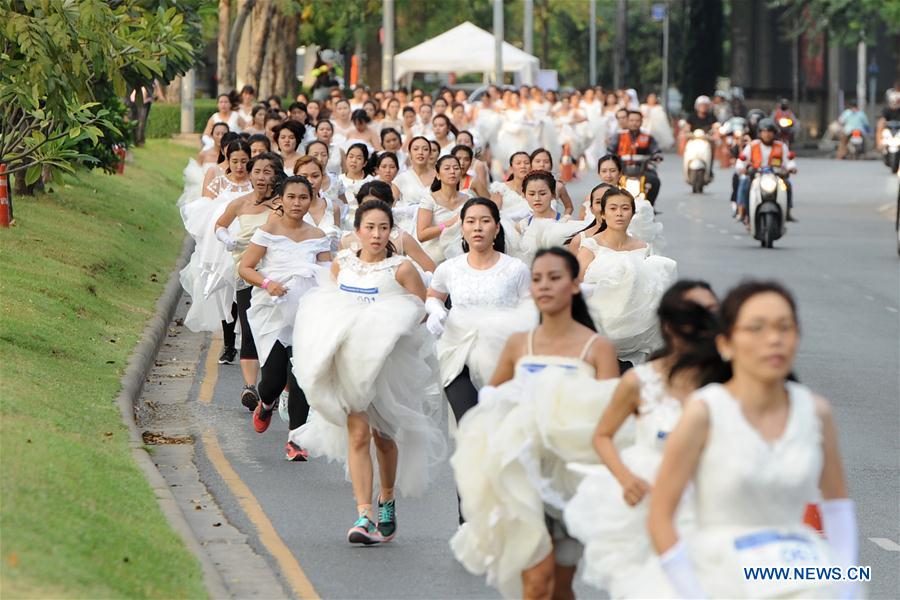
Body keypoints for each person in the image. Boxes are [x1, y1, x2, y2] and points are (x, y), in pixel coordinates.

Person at [642, 281, 858, 599]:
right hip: (720, 577)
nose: (774, 339)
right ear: (726, 343)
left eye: (785, 327)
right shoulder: (704, 413)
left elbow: (837, 506)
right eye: (756, 328)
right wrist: (691, 591)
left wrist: (845, 587)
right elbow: (661, 515)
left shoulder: (815, 412)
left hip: (799, 577)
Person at [451, 247, 620, 600]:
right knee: (536, 578)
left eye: (555, 278)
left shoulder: (598, 347)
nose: (544, 286)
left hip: (573, 474)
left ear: (574, 285)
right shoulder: (519, 343)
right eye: (537, 279)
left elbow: (611, 416)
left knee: (560, 584)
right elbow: (491, 400)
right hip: (523, 469)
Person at [291, 199, 445, 545]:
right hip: (349, 364)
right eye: (370, 227)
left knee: (384, 438)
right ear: (357, 230)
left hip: (387, 366)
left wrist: (385, 326)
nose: (376, 234)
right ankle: (364, 515)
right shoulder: (342, 265)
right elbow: (327, 305)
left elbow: (419, 312)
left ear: (391, 231)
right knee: (358, 435)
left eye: (383, 227)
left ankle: (386, 498)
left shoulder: (402, 268)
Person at [563, 280, 720, 597]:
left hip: (713, 505)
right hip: (648, 502)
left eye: (712, 313)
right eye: (694, 314)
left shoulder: (733, 381)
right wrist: (625, 479)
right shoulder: (639, 381)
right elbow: (603, 435)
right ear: (669, 325)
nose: (704, 323)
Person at [239, 176, 332, 460]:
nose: (297, 203)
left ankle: (296, 439)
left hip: (306, 312)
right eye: (291, 197)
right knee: (275, 379)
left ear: (310, 199)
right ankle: (266, 403)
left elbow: (328, 274)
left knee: (301, 374)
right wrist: (269, 284)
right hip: (272, 309)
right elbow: (245, 268)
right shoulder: (267, 230)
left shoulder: (318, 236)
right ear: (281, 199)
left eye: (303, 197)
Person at [426, 197, 535, 424]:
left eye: (485, 221)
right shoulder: (449, 268)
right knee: (469, 422)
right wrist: (435, 310)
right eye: (471, 221)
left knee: (498, 425)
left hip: (501, 356)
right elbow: (434, 295)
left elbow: (531, 310)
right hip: (457, 353)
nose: (477, 227)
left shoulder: (516, 269)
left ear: (496, 228)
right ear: (462, 227)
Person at [214, 152, 285, 410]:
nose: (262, 177)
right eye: (257, 171)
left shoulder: (283, 204)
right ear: (250, 173)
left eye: (268, 172)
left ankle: (273, 387)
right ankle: (249, 387)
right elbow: (219, 225)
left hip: (274, 272)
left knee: (274, 329)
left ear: (276, 175)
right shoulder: (239, 203)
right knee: (248, 327)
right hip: (245, 270)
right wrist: (225, 237)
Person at [577, 186, 677, 365]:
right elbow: (577, 287)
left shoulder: (643, 247)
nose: (619, 214)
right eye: (613, 208)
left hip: (638, 338)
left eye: (625, 208)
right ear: (603, 214)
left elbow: (652, 289)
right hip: (599, 332)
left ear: (632, 213)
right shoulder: (590, 247)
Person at [180, 140, 254, 367]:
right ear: (227, 160)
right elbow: (205, 214)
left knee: (246, 295)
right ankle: (229, 344)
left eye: (244, 161)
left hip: (250, 245)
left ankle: (250, 344)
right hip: (222, 248)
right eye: (235, 161)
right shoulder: (219, 183)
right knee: (225, 294)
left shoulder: (255, 184)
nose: (240, 166)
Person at [340, 180, 436, 276]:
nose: (374, 211)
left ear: (390, 205)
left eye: (378, 205)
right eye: (368, 205)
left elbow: (431, 270)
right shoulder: (347, 239)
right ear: (359, 206)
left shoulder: (401, 238)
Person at [734, 118, 797, 223]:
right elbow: (742, 159)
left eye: (770, 132)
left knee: (787, 184)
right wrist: (741, 168)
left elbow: (789, 161)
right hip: (756, 176)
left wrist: (791, 168)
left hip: (776, 177)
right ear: (760, 133)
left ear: (774, 133)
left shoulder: (781, 146)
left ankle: (787, 212)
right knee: (744, 183)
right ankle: (741, 211)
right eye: (764, 132)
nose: (767, 135)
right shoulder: (753, 145)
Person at [416, 154, 467, 264]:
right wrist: (448, 224)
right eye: (447, 168)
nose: (452, 171)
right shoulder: (429, 200)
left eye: (456, 168)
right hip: (435, 255)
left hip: (462, 253)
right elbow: (422, 235)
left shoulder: (469, 199)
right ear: (438, 175)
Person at [608, 111, 663, 205]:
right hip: (622, 170)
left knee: (655, 181)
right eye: (631, 120)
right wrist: (609, 157)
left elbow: (655, 149)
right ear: (627, 121)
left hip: (643, 170)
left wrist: (657, 155)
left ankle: (650, 205)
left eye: (637, 120)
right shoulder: (618, 136)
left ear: (641, 122)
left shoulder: (647, 137)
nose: (634, 123)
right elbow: (610, 150)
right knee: (608, 182)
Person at [293, 156, 342, 252]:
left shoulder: (334, 208)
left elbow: (338, 244)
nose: (310, 181)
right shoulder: (287, 209)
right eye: (304, 177)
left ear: (322, 177)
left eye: (315, 176)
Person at [489, 151, 534, 221]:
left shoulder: (536, 189)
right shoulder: (500, 188)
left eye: (526, 163)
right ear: (511, 168)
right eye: (518, 163)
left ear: (531, 168)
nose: (523, 166)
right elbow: (492, 213)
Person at [529, 148, 574, 216]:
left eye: (546, 162)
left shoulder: (558, 186)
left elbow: (569, 207)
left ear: (551, 166)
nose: (542, 165)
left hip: (552, 224)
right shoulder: (524, 185)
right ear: (531, 165)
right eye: (537, 161)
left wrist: (563, 220)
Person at [339, 142, 375, 224]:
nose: (353, 161)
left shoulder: (371, 182)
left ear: (365, 163)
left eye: (359, 158)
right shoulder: (338, 180)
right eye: (351, 157)